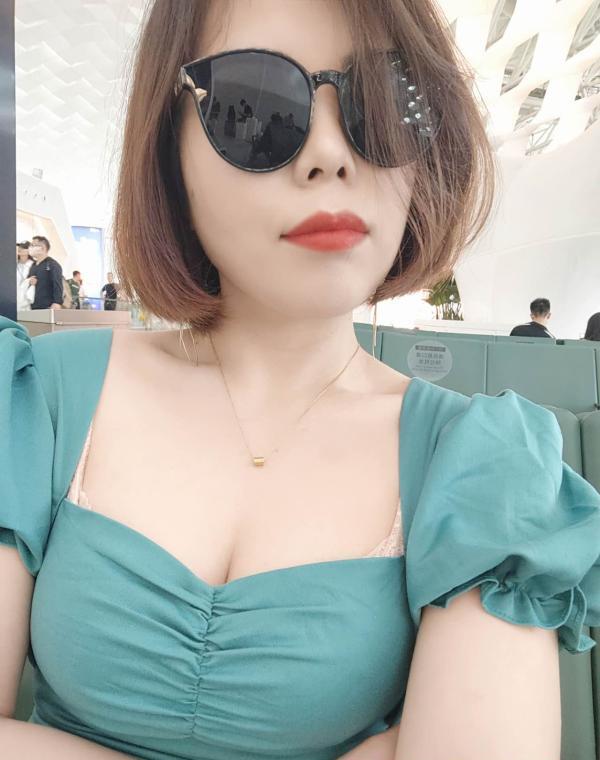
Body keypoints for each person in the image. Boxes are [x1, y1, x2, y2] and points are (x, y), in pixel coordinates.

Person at [1, 3, 599, 760]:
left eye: (386, 104)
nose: (329, 153)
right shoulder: (36, 397)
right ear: (168, 152)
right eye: (255, 106)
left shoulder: (484, 463)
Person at [26, 235, 63, 310]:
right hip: (32, 306)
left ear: (43, 248)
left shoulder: (52, 264)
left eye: (33, 245)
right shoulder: (33, 265)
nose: (30, 248)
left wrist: (57, 302)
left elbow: (57, 284)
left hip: (47, 306)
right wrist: (29, 281)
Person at [16, 241, 34, 311]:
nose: (20, 249)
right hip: (14, 300)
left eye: (24, 247)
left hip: (28, 302)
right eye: (20, 247)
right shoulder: (13, 264)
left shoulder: (33, 265)